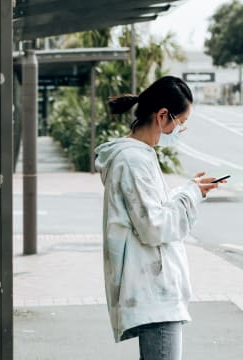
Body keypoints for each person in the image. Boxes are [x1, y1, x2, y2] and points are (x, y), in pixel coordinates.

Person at [94, 76, 227, 360]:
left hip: (155, 292)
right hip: (155, 294)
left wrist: (188, 192)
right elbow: (155, 227)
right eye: (181, 122)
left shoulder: (139, 156)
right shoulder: (133, 160)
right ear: (163, 116)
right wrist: (189, 195)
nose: (181, 130)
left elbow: (152, 212)